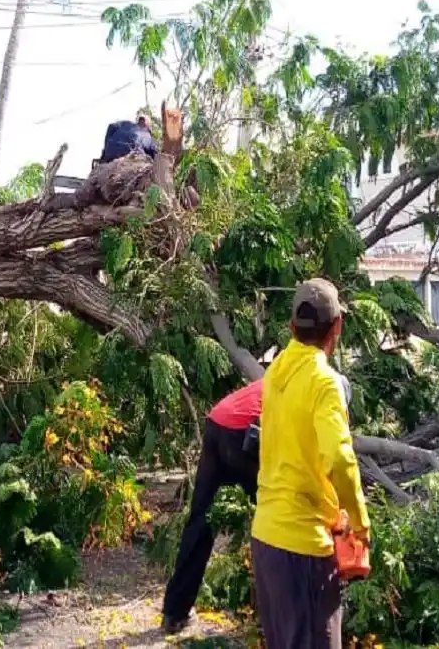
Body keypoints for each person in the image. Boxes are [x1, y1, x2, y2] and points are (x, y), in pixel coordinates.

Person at [250, 278, 370, 649]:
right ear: (337, 327)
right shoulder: (325, 382)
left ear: (290, 328)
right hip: (304, 547)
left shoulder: (275, 374)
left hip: (266, 539)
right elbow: (339, 457)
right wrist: (360, 523)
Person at [161, 379, 263, 633]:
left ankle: (175, 613)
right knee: (276, 518)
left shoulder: (288, 369)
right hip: (242, 433)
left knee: (201, 518)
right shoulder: (313, 387)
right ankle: (268, 614)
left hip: (217, 421)